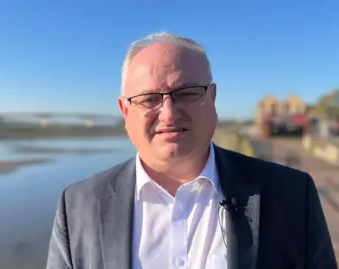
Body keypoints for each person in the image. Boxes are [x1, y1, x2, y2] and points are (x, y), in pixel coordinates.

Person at [46, 32, 338, 269]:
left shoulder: (291, 195)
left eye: (187, 93)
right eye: (149, 99)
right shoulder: (77, 208)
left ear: (212, 98)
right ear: (125, 111)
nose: (169, 114)